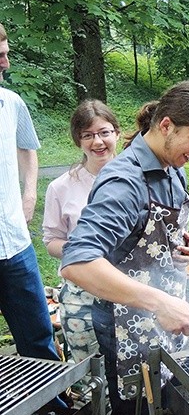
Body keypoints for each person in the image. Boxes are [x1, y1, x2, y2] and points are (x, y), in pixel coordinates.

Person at [61, 81, 189, 415]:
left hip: (163, 329)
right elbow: (78, 261)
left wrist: (178, 252)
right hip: (126, 334)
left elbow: (147, 239)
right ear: (166, 125)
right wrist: (159, 302)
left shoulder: (172, 168)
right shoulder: (124, 180)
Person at [0, 22, 61, 364]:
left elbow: (28, 148)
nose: (6, 64)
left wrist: (30, 195)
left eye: (5, 54)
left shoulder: (11, 103)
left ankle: (53, 411)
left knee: (38, 336)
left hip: (15, 244)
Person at [43, 100, 120, 363]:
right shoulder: (60, 187)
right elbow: (51, 240)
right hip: (81, 293)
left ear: (117, 133)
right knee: (91, 371)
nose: (98, 142)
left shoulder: (137, 178)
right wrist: (80, 251)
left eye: (104, 132)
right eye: (88, 135)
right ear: (78, 141)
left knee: (132, 371)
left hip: (128, 288)